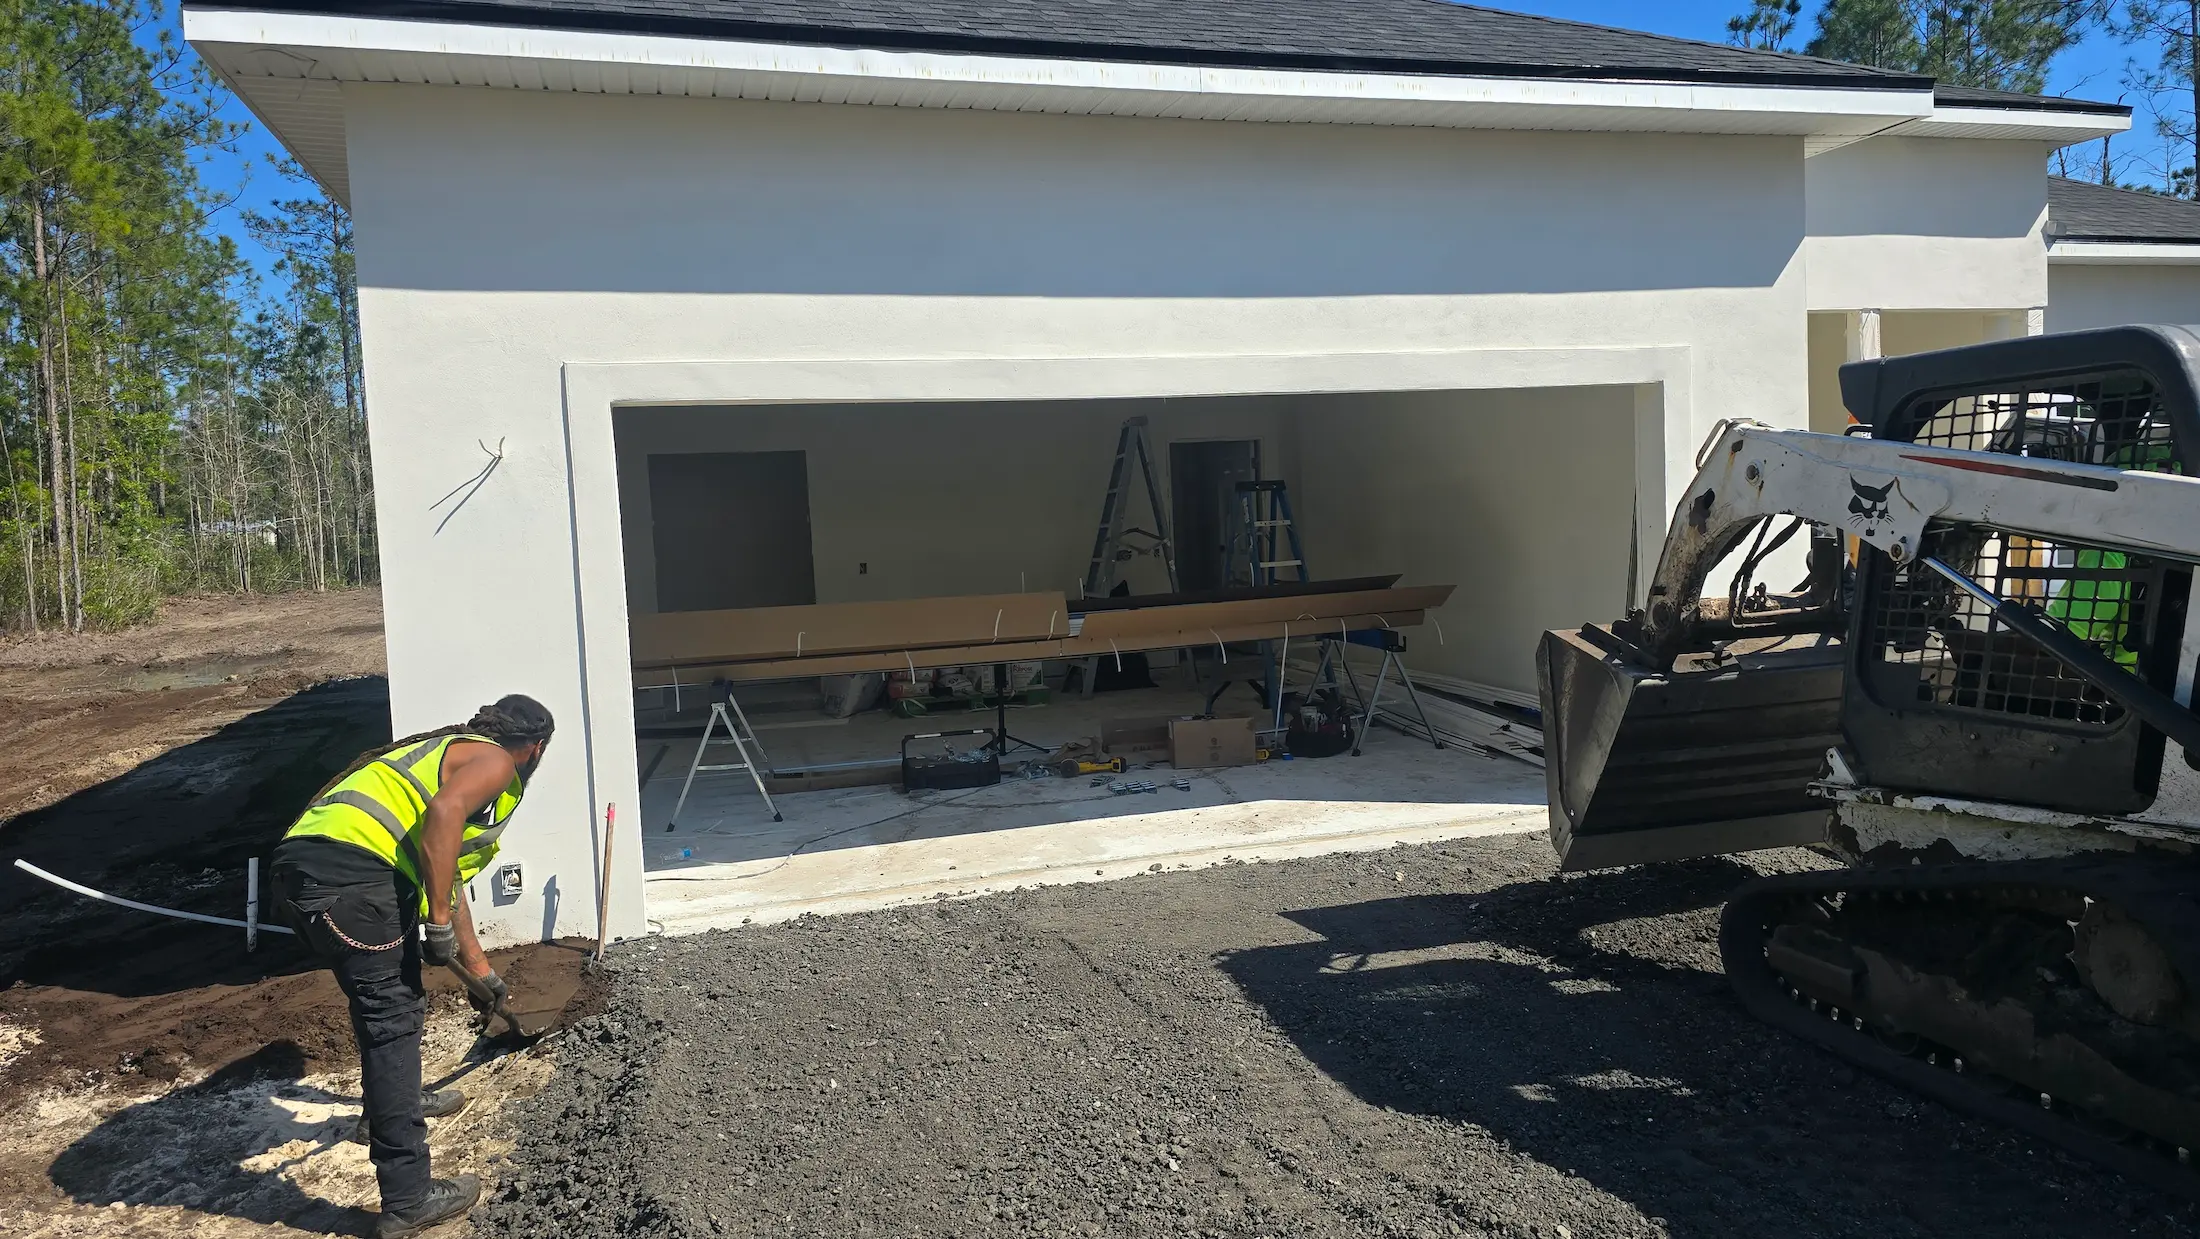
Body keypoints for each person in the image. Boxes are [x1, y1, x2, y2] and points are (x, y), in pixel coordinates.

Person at [271, 695, 554, 1238]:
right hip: (355, 880)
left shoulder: (439, 754)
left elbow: (446, 870)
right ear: (535, 748)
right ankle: (408, 1198)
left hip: (304, 875)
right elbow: (442, 819)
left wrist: (480, 969)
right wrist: (438, 923)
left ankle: (391, 1105)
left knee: (379, 1006)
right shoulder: (495, 760)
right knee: (393, 1020)